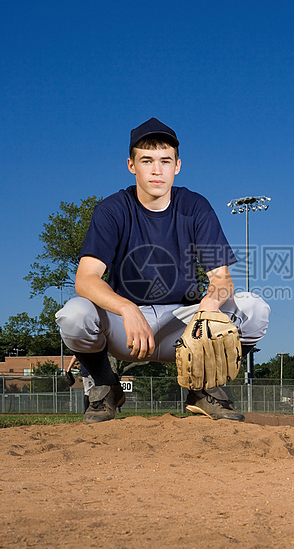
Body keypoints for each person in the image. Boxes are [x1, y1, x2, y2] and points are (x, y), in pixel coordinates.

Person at [56, 117, 270, 424]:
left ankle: (205, 388)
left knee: (254, 310)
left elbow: (221, 279)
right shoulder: (112, 209)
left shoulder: (195, 206)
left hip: (181, 325)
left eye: (165, 161)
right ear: (131, 165)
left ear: (177, 166)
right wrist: (127, 308)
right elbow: (86, 279)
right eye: (147, 160)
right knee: (74, 315)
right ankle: (104, 384)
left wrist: (205, 313)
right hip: (125, 328)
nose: (157, 170)